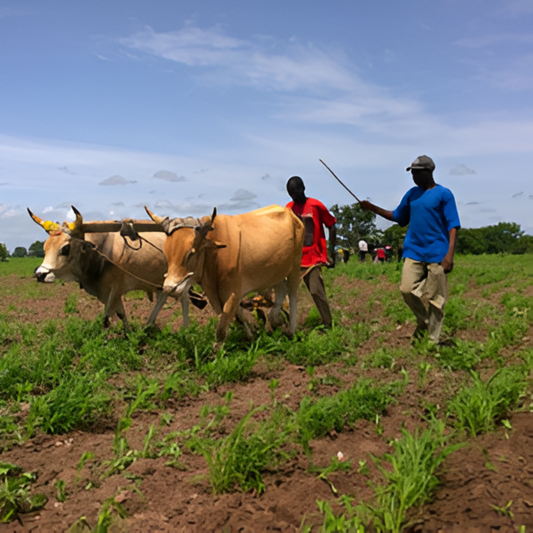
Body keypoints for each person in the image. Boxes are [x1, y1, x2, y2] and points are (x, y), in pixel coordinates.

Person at [360, 155, 460, 344]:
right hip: (413, 251)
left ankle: (433, 341)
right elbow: (398, 216)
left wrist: (449, 255)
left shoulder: (444, 194)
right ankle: (423, 321)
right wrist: (372, 207)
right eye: (412, 173)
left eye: (416, 173)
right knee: (406, 290)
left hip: (437, 254)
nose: (413, 176)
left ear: (428, 172)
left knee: (435, 299)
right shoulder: (412, 194)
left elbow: (453, 226)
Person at [286, 176, 337, 328]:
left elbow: (332, 225)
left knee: (316, 291)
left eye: (296, 192)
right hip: (294, 260)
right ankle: (288, 324)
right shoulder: (288, 209)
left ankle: (328, 324)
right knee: (287, 294)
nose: (294, 196)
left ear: (303, 189)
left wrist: (331, 254)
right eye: (291, 193)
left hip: (313, 258)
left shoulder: (315, 205)